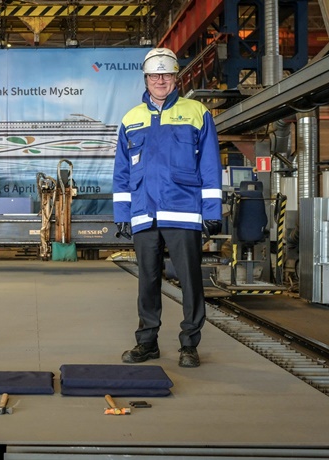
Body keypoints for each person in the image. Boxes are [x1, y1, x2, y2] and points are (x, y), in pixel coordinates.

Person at [112, 48, 222, 368]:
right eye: (154, 75)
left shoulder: (196, 113)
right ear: (145, 79)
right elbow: (122, 171)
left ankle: (189, 344)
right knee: (147, 280)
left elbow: (211, 166)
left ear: (177, 77)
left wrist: (212, 211)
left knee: (190, 281)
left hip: (184, 211)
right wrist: (123, 214)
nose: (160, 80)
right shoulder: (131, 118)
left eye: (166, 74)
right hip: (144, 212)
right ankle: (147, 342)